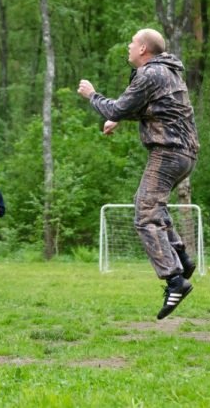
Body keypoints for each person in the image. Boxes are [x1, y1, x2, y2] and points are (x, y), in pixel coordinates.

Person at [77, 28, 199, 319]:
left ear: (143, 48)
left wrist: (92, 95)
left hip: (168, 152)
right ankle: (181, 257)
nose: (129, 47)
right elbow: (149, 107)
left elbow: (119, 107)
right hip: (185, 154)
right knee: (151, 204)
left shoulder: (149, 73)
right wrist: (118, 118)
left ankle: (175, 279)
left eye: (132, 43)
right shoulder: (167, 72)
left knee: (144, 213)